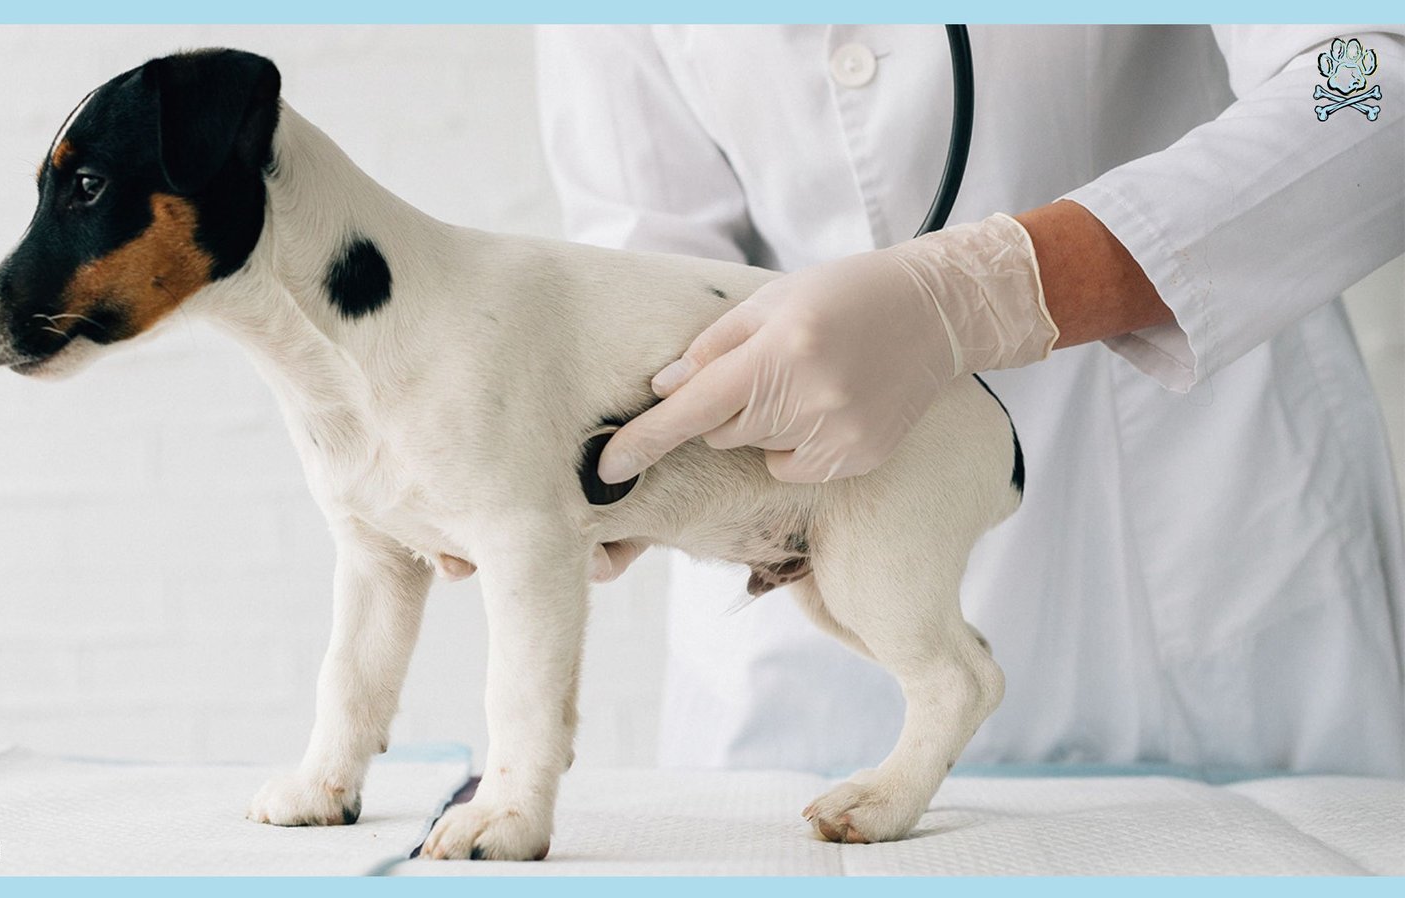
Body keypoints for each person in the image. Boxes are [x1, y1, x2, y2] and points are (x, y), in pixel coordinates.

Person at [536, 25, 1405, 777]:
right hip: (799, 629)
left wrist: (986, 291)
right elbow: (642, 252)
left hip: (1200, 525)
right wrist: (605, 461)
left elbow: (1376, 87)